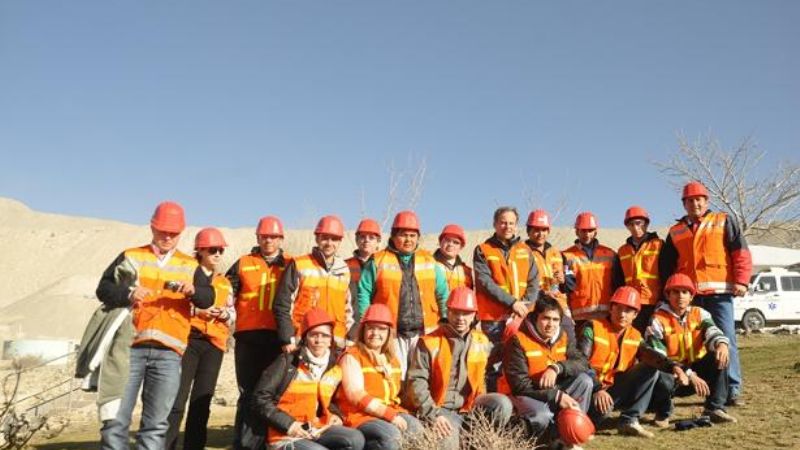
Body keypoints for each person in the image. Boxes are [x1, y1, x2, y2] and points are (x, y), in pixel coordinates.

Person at [96, 201, 214, 450]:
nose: (168, 237)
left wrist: (194, 290)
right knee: (115, 420)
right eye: (163, 231)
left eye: (173, 233)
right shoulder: (131, 256)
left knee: (156, 425)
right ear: (152, 227)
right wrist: (128, 292)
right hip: (129, 349)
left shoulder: (190, 265)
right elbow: (103, 289)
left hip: (169, 354)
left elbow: (208, 297)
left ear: (181, 233)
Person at [658, 181, 752, 406]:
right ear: (684, 204)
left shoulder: (723, 221)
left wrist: (742, 281)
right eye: (690, 200)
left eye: (699, 199)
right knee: (694, 343)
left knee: (725, 339)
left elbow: (740, 251)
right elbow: (667, 266)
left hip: (719, 293)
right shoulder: (676, 231)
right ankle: (703, 385)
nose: (695, 204)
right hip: (689, 296)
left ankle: (732, 389)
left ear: (706, 201)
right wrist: (668, 293)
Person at [403, 287, 512, 450]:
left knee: (502, 404)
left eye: (466, 313)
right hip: (440, 408)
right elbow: (416, 383)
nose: (460, 318)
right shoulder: (429, 342)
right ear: (448, 312)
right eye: (456, 312)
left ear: (474, 315)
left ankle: (478, 438)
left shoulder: (481, 341)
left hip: (471, 407)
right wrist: (433, 414)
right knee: (449, 444)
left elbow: (485, 374)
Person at [253, 308, 365, 450]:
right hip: (284, 434)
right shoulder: (288, 362)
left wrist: (337, 416)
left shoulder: (334, 367)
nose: (319, 340)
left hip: (317, 429)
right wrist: (290, 425)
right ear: (305, 337)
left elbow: (329, 401)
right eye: (314, 335)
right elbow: (260, 398)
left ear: (331, 340)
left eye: (324, 336)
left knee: (355, 439)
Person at [226, 215, 292, 450]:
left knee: (271, 394)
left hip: (277, 339)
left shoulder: (291, 264)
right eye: (264, 236)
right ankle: (242, 443)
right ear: (257, 237)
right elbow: (226, 291)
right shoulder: (243, 262)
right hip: (248, 337)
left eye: (273, 236)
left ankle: (268, 441)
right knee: (247, 393)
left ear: (281, 238)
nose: (268, 241)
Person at [166, 228, 235, 450]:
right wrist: (198, 313)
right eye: (213, 250)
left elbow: (233, 313)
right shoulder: (185, 275)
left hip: (214, 345)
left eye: (221, 250)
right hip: (189, 341)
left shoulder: (224, 282)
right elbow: (173, 306)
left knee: (201, 402)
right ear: (200, 250)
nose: (218, 254)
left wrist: (224, 314)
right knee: (177, 401)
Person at [357, 210, 449, 377]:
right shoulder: (377, 260)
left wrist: (445, 319)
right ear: (393, 236)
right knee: (394, 377)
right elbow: (364, 293)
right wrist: (366, 324)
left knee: (423, 378)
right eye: (403, 235)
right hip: (392, 334)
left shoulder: (429, 260)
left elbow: (443, 293)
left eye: (413, 235)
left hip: (425, 332)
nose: (408, 240)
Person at [578, 286, 675, 439]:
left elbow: (652, 356)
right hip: (590, 391)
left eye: (628, 310)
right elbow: (580, 363)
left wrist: (676, 367)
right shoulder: (592, 327)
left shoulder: (635, 335)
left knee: (650, 368)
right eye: (618, 308)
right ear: (611, 308)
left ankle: (629, 420)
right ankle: (586, 421)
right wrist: (597, 389)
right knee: (600, 413)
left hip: (613, 390)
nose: (622, 314)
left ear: (635, 314)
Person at [501, 296, 592, 449]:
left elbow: (583, 362)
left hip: (553, 390)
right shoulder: (517, 340)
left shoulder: (563, 336)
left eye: (556, 320)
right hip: (521, 395)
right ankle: (536, 444)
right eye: (546, 318)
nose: (551, 325)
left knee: (585, 381)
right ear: (536, 318)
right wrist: (556, 396)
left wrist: (557, 368)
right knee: (542, 415)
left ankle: (569, 438)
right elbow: (519, 386)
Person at [647, 273, 737, 425]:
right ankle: (663, 413)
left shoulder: (699, 314)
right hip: (672, 373)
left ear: (691, 296)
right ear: (668, 295)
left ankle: (714, 408)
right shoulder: (657, 319)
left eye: (684, 292)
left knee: (721, 356)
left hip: (696, 369)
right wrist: (688, 374)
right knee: (660, 372)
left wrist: (722, 344)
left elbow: (713, 332)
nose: (680, 296)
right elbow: (658, 356)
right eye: (675, 292)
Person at [337, 304, 423, 450]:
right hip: (359, 416)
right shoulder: (352, 356)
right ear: (363, 330)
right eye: (371, 328)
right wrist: (390, 415)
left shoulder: (392, 360)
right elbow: (355, 394)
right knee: (390, 434)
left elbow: (399, 393)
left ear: (389, 333)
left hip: (390, 411)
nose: (375, 333)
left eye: (382, 329)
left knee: (417, 429)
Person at [473, 206, 539, 391]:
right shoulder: (483, 250)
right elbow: (485, 282)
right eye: (503, 222)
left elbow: (534, 281)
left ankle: (518, 402)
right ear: (495, 224)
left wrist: (524, 306)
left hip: (522, 316)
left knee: (520, 360)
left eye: (511, 223)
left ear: (516, 226)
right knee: (493, 363)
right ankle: (495, 405)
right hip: (494, 319)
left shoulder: (526, 250)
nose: (507, 226)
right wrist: (513, 303)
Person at [274, 215, 354, 349]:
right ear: (317, 238)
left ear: (340, 241)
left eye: (334, 239)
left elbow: (351, 309)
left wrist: (350, 337)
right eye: (324, 238)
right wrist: (287, 338)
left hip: (336, 343)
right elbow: (283, 304)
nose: (329, 243)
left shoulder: (345, 270)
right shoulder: (299, 264)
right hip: (303, 340)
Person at [524, 209, 573, 341]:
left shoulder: (556, 253)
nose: (540, 234)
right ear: (528, 231)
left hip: (559, 305)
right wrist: (541, 294)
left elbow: (568, 284)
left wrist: (563, 280)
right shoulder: (522, 253)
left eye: (544, 230)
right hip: (536, 307)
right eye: (536, 230)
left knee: (568, 337)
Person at [563, 211, 619, 323]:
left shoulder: (610, 254)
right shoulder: (566, 256)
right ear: (576, 232)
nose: (587, 234)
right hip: (580, 317)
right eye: (583, 230)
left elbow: (617, 284)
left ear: (595, 232)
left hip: (606, 315)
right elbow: (566, 289)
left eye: (590, 230)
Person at [616, 206, 663, 334]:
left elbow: (666, 273)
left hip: (654, 302)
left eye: (638, 223)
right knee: (633, 338)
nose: (635, 227)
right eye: (631, 224)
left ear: (646, 224)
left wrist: (664, 299)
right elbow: (619, 280)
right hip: (631, 303)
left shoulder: (659, 245)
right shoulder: (622, 251)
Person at [345, 219, 382, 324]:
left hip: (378, 321)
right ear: (356, 240)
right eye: (362, 237)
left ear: (378, 241)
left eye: (371, 237)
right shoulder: (345, 266)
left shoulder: (385, 265)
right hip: (351, 321)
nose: (366, 240)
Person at [434, 224, 473, 290]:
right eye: (447, 240)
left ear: (461, 247)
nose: (450, 244)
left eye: (456, 242)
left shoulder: (467, 271)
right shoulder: (428, 265)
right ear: (440, 242)